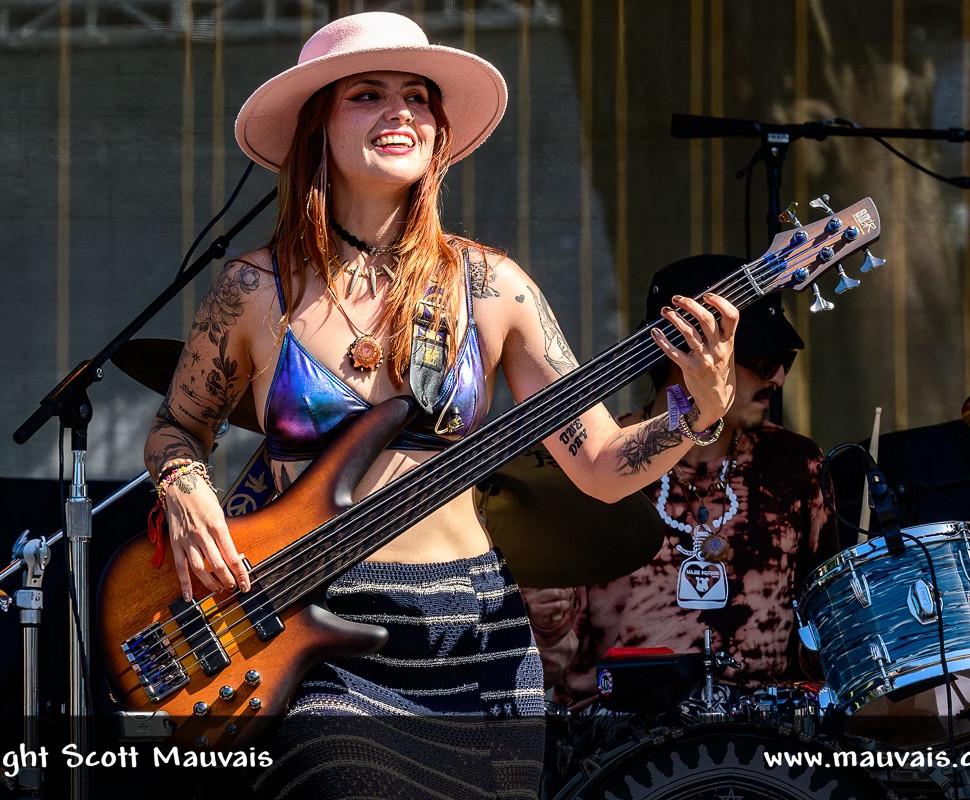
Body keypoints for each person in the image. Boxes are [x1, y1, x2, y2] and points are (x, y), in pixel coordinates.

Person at [143, 13, 738, 799]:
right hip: (313, 630)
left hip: (475, 638)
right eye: (368, 94)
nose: (401, 112)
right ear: (318, 124)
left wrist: (697, 411)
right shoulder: (254, 290)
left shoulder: (494, 287)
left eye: (417, 97)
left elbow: (598, 466)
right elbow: (176, 429)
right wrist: (183, 488)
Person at [525, 254, 841, 716]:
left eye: (785, 359)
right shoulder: (591, 466)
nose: (779, 377)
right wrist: (545, 625)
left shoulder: (797, 465)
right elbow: (546, 667)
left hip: (764, 744)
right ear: (680, 354)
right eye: (760, 357)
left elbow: (827, 629)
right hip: (617, 746)